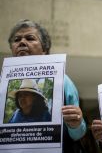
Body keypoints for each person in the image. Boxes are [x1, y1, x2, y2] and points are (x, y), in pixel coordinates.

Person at [7, 19, 86, 153]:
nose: (22, 42)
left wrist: (76, 124)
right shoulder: (3, 84)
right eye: (17, 39)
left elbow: (78, 135)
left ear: (44, 49)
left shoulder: (63, 80)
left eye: (30, 38)